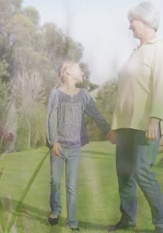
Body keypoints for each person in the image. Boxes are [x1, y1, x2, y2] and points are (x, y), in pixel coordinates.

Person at [109, 2, 163, 233]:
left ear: (144, 21)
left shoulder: (160, 48)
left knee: (142, 172)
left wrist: (155, 119)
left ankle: (162, 224)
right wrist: (115, 126)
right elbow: (124, 93)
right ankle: (127, 219)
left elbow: (161, 86)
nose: (129, 26)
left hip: (146, 124)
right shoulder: (136, 51)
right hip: (125, 124)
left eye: (132, 21)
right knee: (124, 173)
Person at [46, 60, 117, 231]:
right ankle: (55, 210)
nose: (83, 73)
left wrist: (108, 131)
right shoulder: (56, 94)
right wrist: (53, 141)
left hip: (75, 148)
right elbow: (51, 118)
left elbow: (95, 113)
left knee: (72, 186)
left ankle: (72, 222)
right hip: (58, 147)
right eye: (79, 69)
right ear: (68, 71)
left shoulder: (83, 94)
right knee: (55, 182)